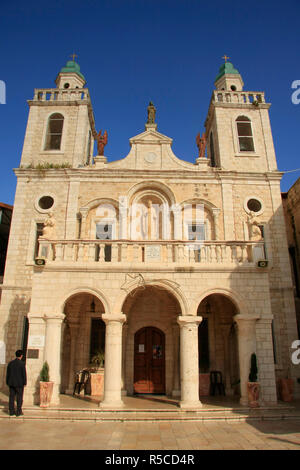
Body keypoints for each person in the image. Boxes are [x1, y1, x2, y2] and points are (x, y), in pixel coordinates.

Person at [6, 350, 27, 416]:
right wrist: (25, 382)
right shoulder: (22, 364)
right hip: (19, 384)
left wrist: (7, 382)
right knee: (19, 397)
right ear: (21, 356)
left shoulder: (10, 363)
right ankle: (18, 411)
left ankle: (11, 411)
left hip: (11, 383)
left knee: (11, 397)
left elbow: (8, 374)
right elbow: (24, 374)